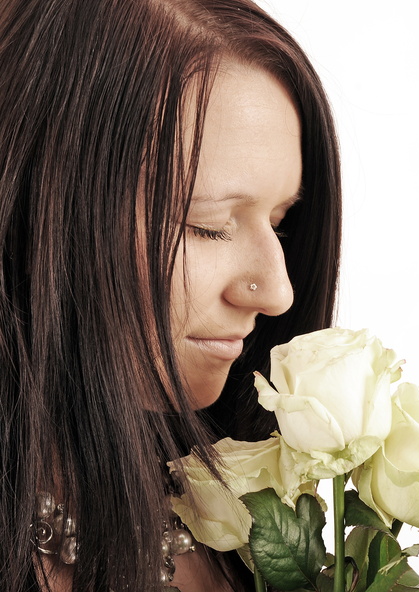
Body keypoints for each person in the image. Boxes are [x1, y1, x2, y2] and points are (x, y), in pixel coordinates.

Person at [0, 0, 341, 590]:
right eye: (209, 225)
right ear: (43, 204)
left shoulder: (250, 525)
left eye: (282, 221)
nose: (279, 293)